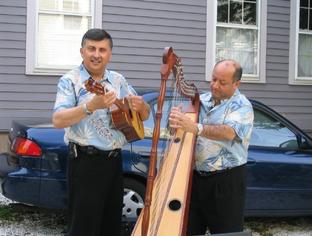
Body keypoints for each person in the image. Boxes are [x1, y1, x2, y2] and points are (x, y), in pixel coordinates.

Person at [52, 28, 150, 236]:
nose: (97, 54)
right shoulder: (70, 81)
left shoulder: (118, 80)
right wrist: (90, 107)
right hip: (85, 162)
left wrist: (141, 106)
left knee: (111, 225)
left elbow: (144, 115)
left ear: (110, 54)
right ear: (82, 51)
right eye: (91, 49)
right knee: (83, 228)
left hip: (114, 161)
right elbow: (58, 120)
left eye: (102, 50)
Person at [169, 59, 254, 235]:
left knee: (226, 232)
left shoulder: (243, 106)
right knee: (188, 230)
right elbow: (180, 131)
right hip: (194, 179)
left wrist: (196, 128)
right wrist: (176, 121)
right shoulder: (201, 100)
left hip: (226, 181)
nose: (215, 86)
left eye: (222, 82)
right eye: (213, 79)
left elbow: (229, 132)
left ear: (236, 84)